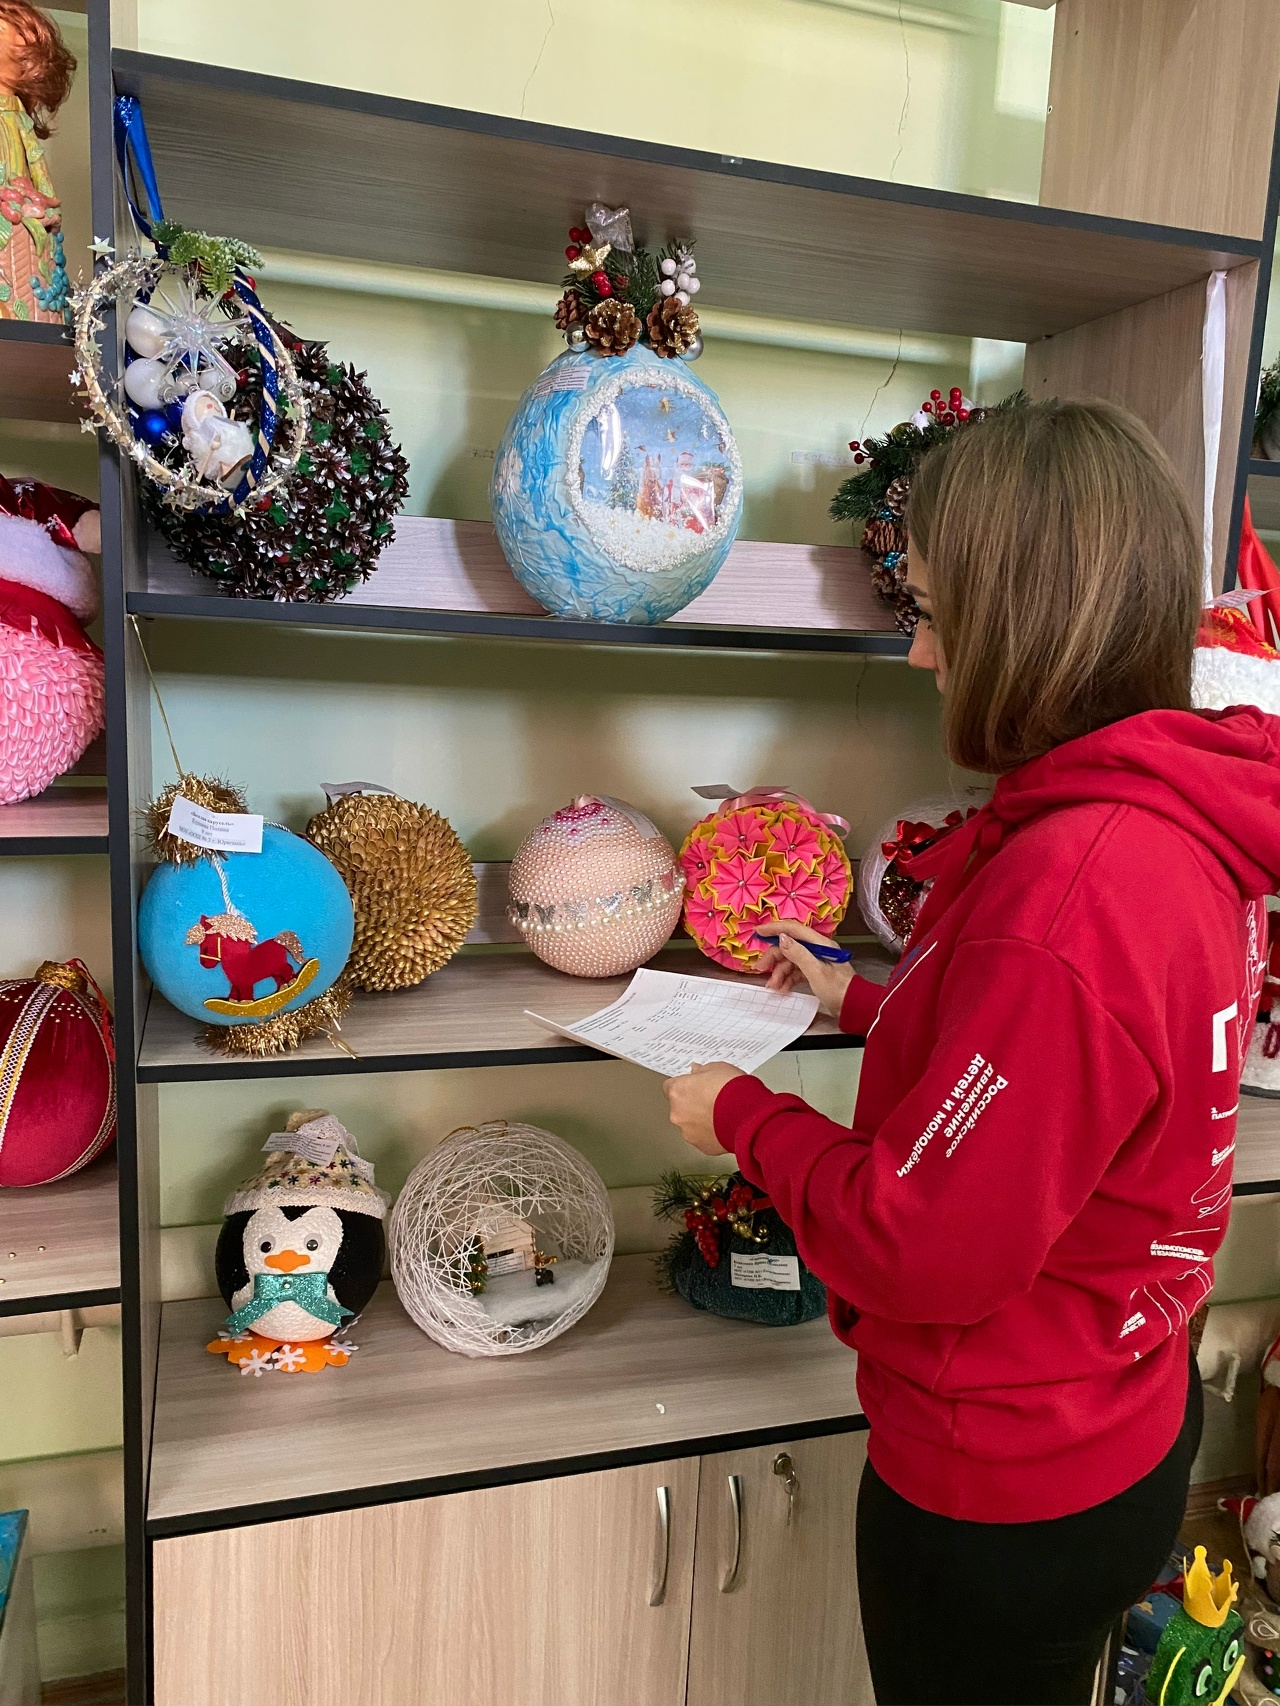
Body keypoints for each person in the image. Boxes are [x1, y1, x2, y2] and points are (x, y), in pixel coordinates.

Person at [662, 399, 1280, 1706]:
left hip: (1008, 1484)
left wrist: (743, 1117)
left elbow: (919, 1245)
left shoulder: (1072, 887)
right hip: (1125, 1410)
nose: (920, 653)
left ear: (1028, 625)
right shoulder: (1170, 827)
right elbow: (1070, 1082)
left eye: (938, 615)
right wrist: (861, 1000)